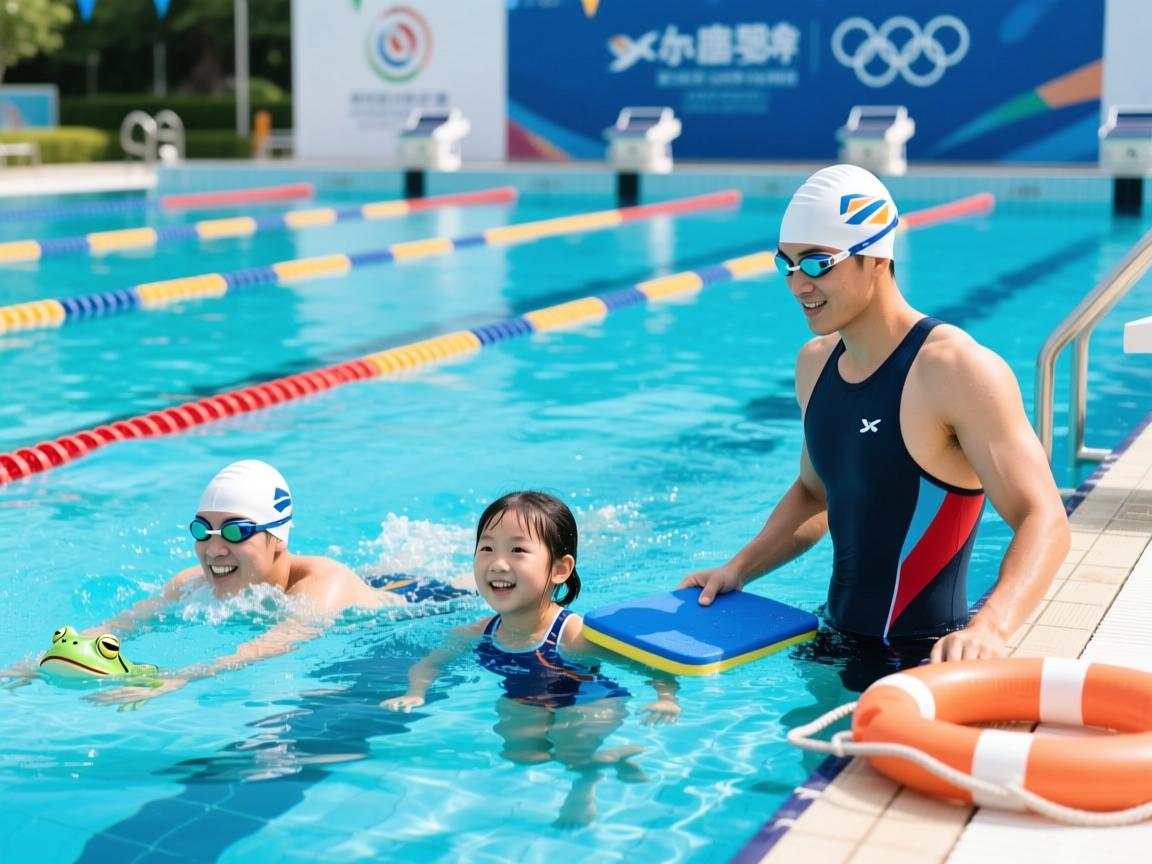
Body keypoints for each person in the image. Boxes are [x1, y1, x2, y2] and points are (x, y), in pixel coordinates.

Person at [680, 164, 1070, 684]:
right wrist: (739, 567)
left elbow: (1044, 518)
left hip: (923, 660)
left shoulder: (955, 369)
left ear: (878, 257)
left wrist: (990, 628)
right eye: (786, 264)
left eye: (817, 263)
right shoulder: (814, 364)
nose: (798, 284)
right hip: (831, 643)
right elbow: (815, 493)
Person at [381, 490, 680, 826]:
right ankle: (611, 758)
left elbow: (648, 663)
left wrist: (665, 698)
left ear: (560, 569)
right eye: (487, 549)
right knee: (521, 753)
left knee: (571, 748)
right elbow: (431, 664)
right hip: (526, 696)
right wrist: (416, 692)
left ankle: (586, 780)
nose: (498, 563)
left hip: (590, 700)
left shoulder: (573, 635)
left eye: (518, 550)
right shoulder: (480, 631)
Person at [72, 459, 470, 705]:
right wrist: (48, 660)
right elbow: (121, 624)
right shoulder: (190, 584)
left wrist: (177, 678)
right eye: (203, 530)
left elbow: (272, 644)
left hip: (421, 600)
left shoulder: (323, 584)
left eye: (235, 532)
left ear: (278, 537)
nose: (214, 549)